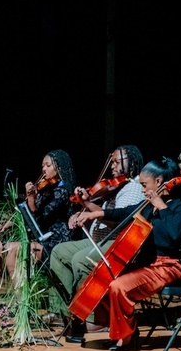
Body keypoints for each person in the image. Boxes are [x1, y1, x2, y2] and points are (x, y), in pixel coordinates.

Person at [70, 157, 181, 351]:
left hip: (167, 266)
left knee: (119, 286)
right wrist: (92, 213)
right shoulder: (148, 207)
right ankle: (124, 329)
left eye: (144, 185)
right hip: (147, 264)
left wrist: (162, 206)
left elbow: (175, 235)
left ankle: (126, 337)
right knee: (104, 277)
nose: (142, 190)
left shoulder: (178, 207)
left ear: (158, 182)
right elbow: (122, 213)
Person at [49, 145, 146, 341]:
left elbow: (118, 218)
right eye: (113, 162)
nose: (113, 166)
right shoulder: (118, 186)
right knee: (59, 252)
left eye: (118, 162)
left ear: (132, 163)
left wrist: (89, 209)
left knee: (80, 259)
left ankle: (94, 317)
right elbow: (100, 212)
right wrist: (84, 206)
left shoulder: (135, 188)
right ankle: (64, 313)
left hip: (118, 242)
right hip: (99, 240)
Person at [0, 149, 78, 311]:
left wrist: (31, 198)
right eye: (42, 165)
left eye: (48, 165)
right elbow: (24, 214)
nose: (44, 169)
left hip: (55, 244)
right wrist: (5, 225)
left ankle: (23, 305)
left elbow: (38, 218)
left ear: (58, 168)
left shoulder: (63, 191)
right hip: (40, 240)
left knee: (14, 249)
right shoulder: (45, 190)